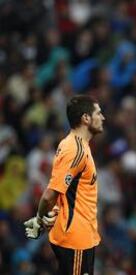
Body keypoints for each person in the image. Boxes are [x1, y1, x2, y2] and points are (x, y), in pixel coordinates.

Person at [23, 95, 105, 274]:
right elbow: (50, 194)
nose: (103, 117)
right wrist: (39, 220)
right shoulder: (75, 150)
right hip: (76, 237)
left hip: (83, 235)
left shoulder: (76, 145)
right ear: (86, 118)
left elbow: (67, 194)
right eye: (98, 113)